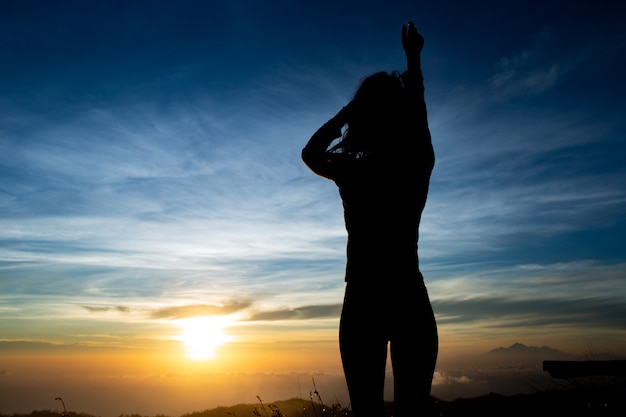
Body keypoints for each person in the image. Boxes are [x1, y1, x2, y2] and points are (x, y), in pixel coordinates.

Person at [301, 22, 438, 417]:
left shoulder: (351, 172)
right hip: (409, 296)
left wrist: (352, 109)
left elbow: (311, 151)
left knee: (366, 413)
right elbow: (420, 123)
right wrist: (413, 62)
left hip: (362, 299)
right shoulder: (415, 166)